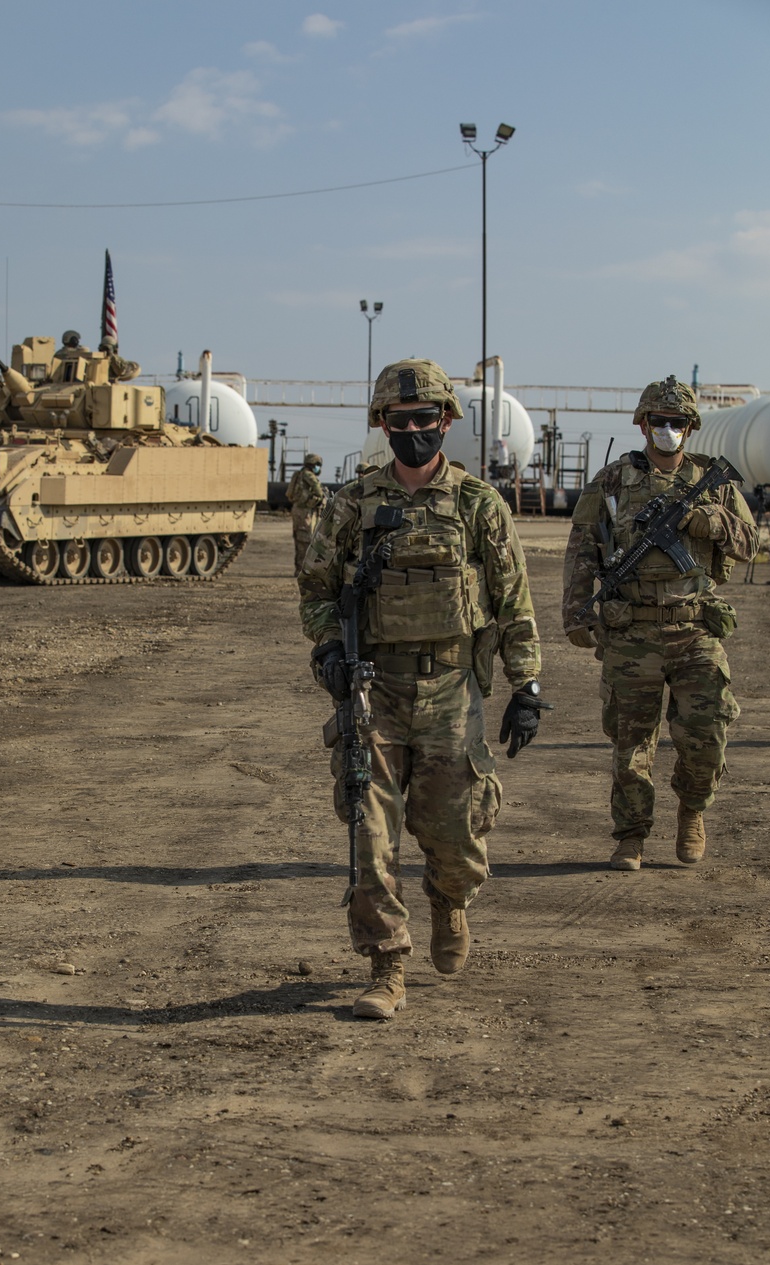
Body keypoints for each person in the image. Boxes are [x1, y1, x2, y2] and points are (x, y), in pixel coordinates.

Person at [299, 359, 546, 1019]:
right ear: (383, 425)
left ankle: (451, 901)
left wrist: (527, 683)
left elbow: (513, 596)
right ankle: (387, 963)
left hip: (448, 690)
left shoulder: (477, 504)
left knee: (454, 835)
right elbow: (316, 589)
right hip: (373, 689)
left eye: (426, 419)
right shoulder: (352, 503)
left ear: (446, 422)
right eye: (401, 420)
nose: (414, 430)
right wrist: (327, 648)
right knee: (368, 830)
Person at [563, 375, 759, 872]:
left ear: (690, 428)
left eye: (676, 422)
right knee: (630, 743)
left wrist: (709, 521)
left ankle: (692, 812)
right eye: (658, 421)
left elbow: (749, 544)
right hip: (632, 630)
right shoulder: (611, 481)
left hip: (695, 629)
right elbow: (583, 547)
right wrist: (577, 611)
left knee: (707, 732)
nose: (666, 430)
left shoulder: (713, 481)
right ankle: (631, 836)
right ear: (643, 424)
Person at [287, 453, 327, 576]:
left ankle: (299, 568)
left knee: (299, 540)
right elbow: (319, 493)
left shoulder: (298, 474)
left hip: (297, 510)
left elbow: (289, 494)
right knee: (306, 540)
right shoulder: (309, 476)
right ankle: (303, 570)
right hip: (306, 513)